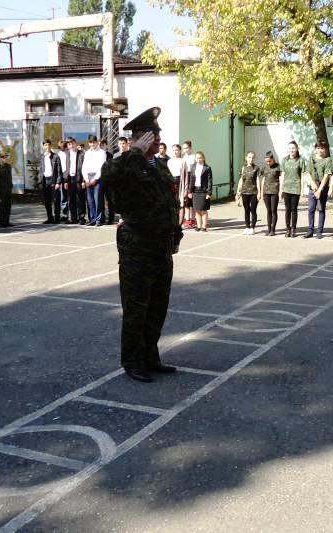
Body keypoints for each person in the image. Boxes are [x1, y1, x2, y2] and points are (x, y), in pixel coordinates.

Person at [101, 106, 183, 383]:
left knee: (157, 307)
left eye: (158, 133)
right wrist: (134, 151)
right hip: (137, 246)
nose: (158, 138)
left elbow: (170, 203)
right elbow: (109, 177)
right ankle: (133, 361)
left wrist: (176, 235)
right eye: (152, 134)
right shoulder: (125, 162)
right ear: (138, 138)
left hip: (161, 246)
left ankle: (151, 357)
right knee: (136, 308)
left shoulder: (159, 165)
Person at [305, 140, 332, 239]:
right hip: (312, 189)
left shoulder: (328, 160)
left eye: (322, 148)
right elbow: (307, 172)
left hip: (322, 189)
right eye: (318, 148)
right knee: (311, 209)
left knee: (321, 209)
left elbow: (326, 176)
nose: (320, 150)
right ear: (316, 149)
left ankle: (319, 231)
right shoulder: (311, 159)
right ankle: (310, 230)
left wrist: (320, 190)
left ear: (325, 149)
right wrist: (312, 184)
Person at [280, 140, 306, 237]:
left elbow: (303, 175)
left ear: (297, 149)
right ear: (288, 149)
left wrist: (302, 190)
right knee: (287, 209)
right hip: (286, 188)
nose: (292, 150)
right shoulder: (284, 160)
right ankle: (288, 229)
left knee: (294, 209)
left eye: (293, 148)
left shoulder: (300, 160)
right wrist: (281, 190)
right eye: (290, 148)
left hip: (296, 188)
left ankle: (294, 229)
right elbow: (282, 175)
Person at [81, 135, 106, 226]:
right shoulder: (87, 153)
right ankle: (92, 219)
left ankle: (99, 219)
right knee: (90, 200)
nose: (92, 144)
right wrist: (86, 179)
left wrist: (95, 179)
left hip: (97, 178)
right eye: (90, 142)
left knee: (97, 199)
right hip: (88, 177)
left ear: (97, 142)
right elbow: (84, 167)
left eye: (93, 142)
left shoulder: (101, 152)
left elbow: (102, 167)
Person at [187, 151, 213, 231]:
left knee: (203, 210)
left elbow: (210, 180)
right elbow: (191, 180)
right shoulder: (193, 167)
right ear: (195, 159)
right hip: (195, 191)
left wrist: (209, 192)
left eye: (200, 158)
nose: (198, 159)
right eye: (197, 158)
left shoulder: (207, 168)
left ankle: (204, 227)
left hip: (204, 191)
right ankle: (198, 226)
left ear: (203, 158)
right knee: (197, 210)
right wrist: (190, 191)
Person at [258, 151, 282, 236]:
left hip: (274, 191)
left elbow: (281, 179)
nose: (268, 163)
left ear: (273, 159)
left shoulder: (278, 166)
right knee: (268, 211)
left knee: (273, 210)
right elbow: (262, 179)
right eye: (266, 161)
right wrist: (261, 192)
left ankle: (273, 230)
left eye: (269, 161)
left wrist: (280, 191)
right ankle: (268, 229)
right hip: (266, 192)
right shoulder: (264, 168)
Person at [236, 151, 260, 235]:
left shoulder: (256, 168)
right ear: (246, 158)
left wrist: (259, 192)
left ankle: (252, 228)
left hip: (254, 192)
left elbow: (257, 180)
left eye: (253, 157)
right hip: (244, 192)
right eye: (249, 157)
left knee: (253, 210)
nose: (251, 159)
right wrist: (238, 191)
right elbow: (241, 180)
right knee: (246, 210)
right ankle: (247, 227)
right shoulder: (243, 168)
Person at [39, 140, 61, 224]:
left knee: (56, 200)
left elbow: (59, 170)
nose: (47, 147)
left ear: (51, 146)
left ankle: (57, 218)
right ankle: (50, 218)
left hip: (53, 180)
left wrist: (58, 182)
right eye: (45, 145)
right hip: (45, 180)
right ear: (43, 146)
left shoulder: (55, 156)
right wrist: (40, 181)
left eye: (48, 145)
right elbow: (41, 169)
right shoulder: (42, 157)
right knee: (47, 201)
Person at [64, 137, 85, 224]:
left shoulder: (81, 153)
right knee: (71, 199)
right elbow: (66, 167)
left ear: (75, 143)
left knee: (80, 199)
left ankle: (82, 218)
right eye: (69, 144)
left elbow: (84, 167)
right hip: (70, 179)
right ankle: (73, 218)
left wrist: (84, 180)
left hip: (79, 178)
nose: (71, 145)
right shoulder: (67, 154)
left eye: (72, 143)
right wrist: (65, 180)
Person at [167, 143, 186, 225]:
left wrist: (185, 189)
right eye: (174, 150)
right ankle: (173, 221)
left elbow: (186, 176)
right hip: (171, 182)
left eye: (177, 150)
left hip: (180, 182)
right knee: (172, 202)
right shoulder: (169, 161)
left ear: (180, 151)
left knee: (180, 202)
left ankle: (180, 222)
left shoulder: (183, 161)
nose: (175, 152)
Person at [181, 140, 197, 229]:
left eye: (186, 148)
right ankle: (187, 219)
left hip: (192, 178)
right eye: (184, 148)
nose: (185, 150)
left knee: (192, 201)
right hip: (185, 178)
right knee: (186, 201)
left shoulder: (194, 157)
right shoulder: (183, 158)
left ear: (190, 148)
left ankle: (192, 219)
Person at [99, 139, 115, 224]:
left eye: (103, 145)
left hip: (108, 180)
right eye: (100, 145)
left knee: (110, 200)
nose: (102, 146)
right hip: (99, 180)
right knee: (100, 200)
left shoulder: (110, 155)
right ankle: (102, 217)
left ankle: (111, 218)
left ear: (106, 145)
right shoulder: (97, 155)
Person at [0, 152, 14, 227]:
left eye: (7, 157)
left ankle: (7, 221)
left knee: (8, 206)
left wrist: (11, 186)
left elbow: (9, 177)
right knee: (2, 206)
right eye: (5, 157)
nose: (6, 158)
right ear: (1, 158)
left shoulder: (8, 166)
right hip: (1, 190)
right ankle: (2, 222)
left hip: (8, 189)